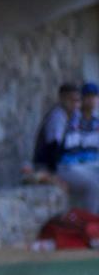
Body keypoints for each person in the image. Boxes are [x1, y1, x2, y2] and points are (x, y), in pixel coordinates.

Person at [38, 81, 99, 212]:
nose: (75, 104)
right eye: (71, 100)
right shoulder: (57, 117)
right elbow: (51, 149)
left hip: (73, 165)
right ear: (62, 99)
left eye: (77, 100)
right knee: (95, 185)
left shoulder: (73, 116)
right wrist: (53, 176)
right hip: (59, 168)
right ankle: (91, 224)